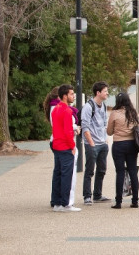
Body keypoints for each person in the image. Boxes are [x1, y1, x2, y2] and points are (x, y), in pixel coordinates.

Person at [49, 85, 79, 213]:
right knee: (67, 175)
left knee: (58, 174)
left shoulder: (55, 109)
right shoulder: (67, 111)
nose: (73, 96)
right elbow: (67, 131)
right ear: (65, 96)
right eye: (71, 94)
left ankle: (57, 202)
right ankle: (65, 203)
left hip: (57, 144)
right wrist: (72, 146)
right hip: (65, 146)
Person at [107, 92, 139, 209]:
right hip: (132, 144)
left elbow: (109, 132)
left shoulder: (114, 114)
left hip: (119, 144)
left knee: (120, 172)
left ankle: (118, 201)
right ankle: (135, 200)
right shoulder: (133, 113)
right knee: (132, 171)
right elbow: (137, 127)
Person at [81, 81, 110, 206]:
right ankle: (87, 196)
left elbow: (104, 123)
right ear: (98, 93)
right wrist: (91, 143)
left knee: (102, 169)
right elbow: (85, 126)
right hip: (92, 144)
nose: (107, 93)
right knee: (89, 170)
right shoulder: (88, 107)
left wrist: (105, 139)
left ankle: (97, 194)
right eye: (105, 91)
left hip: (102, 143)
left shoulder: (103, 106)